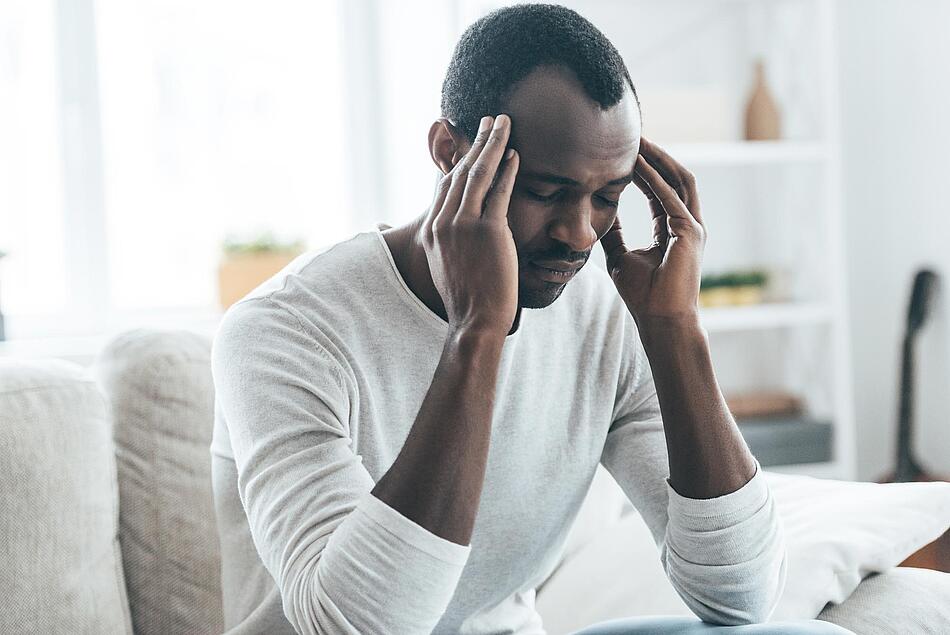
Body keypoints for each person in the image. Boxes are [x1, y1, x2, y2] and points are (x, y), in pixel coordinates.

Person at [209, 4, 853, 634]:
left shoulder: (600, 312)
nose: (578, 234)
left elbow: (740, 594)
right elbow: (356, 626)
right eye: (544, 192)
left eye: (606, 196)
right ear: (449, 151)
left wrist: (675, 331)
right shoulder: (282, 331)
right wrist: (477, 333)